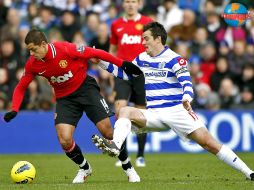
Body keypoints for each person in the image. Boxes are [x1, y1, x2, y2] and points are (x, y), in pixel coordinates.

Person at [92, 22, 254, 181]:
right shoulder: (141, 58)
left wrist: (186, 98)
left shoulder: (175, 59)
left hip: (177, 111)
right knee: (124, 111)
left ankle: (248, 172)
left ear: (158, 39)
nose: (143, 42)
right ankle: (116, 144)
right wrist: (100, 62)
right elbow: (125, 74)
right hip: (154, 114)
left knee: (210, 144)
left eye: (146, 38)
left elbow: (186, 83)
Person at [3, 28, 142, 183]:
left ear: (43, 44)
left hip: (86, 90)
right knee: (64, 140)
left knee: (109, 133)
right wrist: (14, 109)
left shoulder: (66, 49)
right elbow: (21, 86)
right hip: (65, 99)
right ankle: (84, 168)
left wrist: (122, 64)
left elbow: (96, 53)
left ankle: (128, 167)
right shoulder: (32, 64)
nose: (31, 54)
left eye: (33, 50)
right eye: (29, 51)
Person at [109, 0, 153, 167]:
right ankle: (123, 156)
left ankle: (140, 156)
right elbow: (112, 50)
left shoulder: (148, 22)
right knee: (120, 110)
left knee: (141, 115)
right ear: (123, 4)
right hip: (122, 73)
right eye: (127, 1)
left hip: (142, 74)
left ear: (139, 3)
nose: (130, 4)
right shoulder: (116, 25)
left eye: (133, 1)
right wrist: (109, 69)